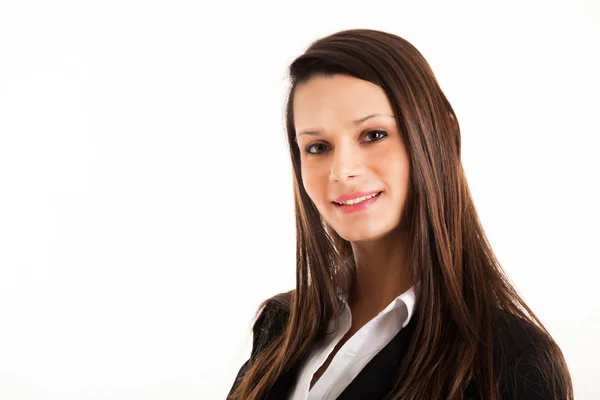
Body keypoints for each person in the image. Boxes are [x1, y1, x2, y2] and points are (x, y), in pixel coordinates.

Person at [227, 28, 573, 400]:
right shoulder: (281, 323)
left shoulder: (508, 360)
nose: (342, 171)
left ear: (443, 133)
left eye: (373, 135)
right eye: (317, 147)